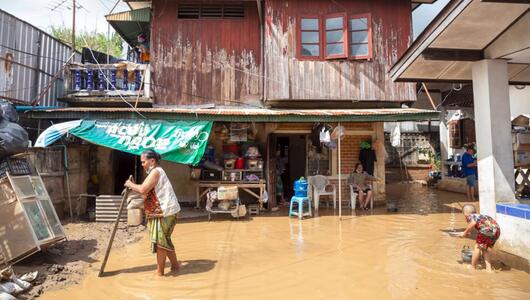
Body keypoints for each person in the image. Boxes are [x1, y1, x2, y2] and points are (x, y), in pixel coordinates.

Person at [124, 150, 181, 276]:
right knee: (165, 240)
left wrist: (130, 184)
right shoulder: (155, 172)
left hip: (165, 212)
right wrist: (134, 186)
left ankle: (159, 273)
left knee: (161, 243)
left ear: (152, 161)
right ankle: (175, 266)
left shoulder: (155, 172)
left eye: (143, 162)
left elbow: (143, 189)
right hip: (165, 211)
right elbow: (145, 191)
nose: (142, 165)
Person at [458, 204, 500, 272]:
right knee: (485, 248)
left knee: (477, 247)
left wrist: (464, 233)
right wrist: (468, 232)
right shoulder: (480, 216)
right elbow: (480, 224)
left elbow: (473, 223)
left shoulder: (471, 216)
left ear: (465, 214)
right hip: (497, 231)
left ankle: (473, 266)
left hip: (486, 230)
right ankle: (488, 269)